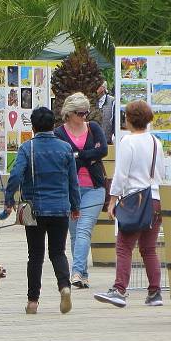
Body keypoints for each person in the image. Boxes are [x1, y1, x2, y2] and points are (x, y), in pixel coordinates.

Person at [3, 106, 80, 315]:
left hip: (33, 209)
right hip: (60, 208)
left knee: (35, 256)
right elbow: (73, 181)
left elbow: (16, 175)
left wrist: (9, 199)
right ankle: (64, 286)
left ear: (33, 126)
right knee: (58, 252)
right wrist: (76, 206)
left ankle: (33, 301)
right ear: (53, 125)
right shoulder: (65, 148)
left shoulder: (27, 148)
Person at [93, 100, 164, 308]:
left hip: (136, 199)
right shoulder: (155, 142)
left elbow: (121, 175)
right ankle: (154, 292)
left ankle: (119, 289)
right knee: (149, 249)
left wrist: (112, 200)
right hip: (156, 198)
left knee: (124, 246)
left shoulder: (127, 142)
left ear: (129, 119)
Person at [54, 92, 108, 289]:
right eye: (79, 113)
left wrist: (78, 155)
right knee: (75, 233)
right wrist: (87, 156)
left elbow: (102, 151)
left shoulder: (93, 128)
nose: (84, 116)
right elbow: (63, 156)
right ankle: (83, 275)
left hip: (94, 187)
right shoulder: (59, 133)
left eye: (86, 112)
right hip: (70, 188)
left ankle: (75, 272)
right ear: (69, 113)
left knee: (84, 229)